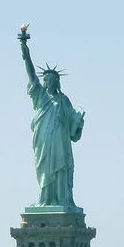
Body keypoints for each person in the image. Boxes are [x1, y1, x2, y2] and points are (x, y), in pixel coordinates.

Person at [20, 40, 85, 208]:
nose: (49, 82)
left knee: (61, 168)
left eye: (52, 80)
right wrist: (25, 51)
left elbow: (73, 125)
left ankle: (62, 200)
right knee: (43, 170)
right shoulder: (40, 96)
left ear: (57, 83)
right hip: (43, 140)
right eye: (47, 80)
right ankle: (45, 200)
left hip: (60, 142)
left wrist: (78, 120)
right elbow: (31, 74)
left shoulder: (64, 100)